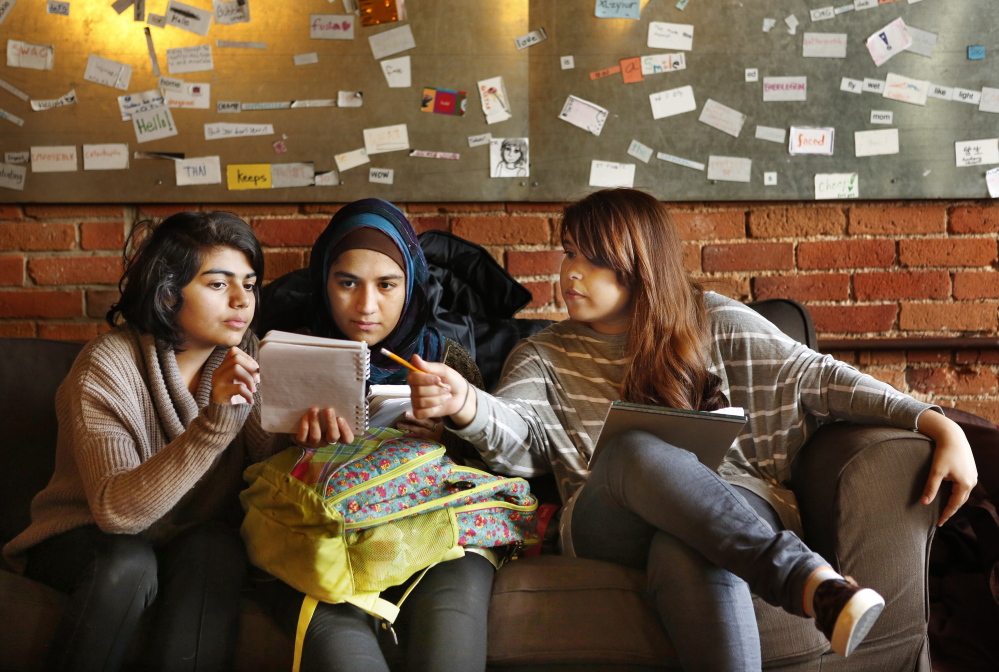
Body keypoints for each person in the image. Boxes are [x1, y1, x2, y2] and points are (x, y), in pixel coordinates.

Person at [406, 188, 979, 671]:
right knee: (632, 448)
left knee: (692, 545)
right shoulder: (544, 353)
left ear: (640, 264)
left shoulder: (711, 319)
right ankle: (806, 579)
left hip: (735, 505)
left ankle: (814, 588)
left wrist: (937, 423)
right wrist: (465, 404)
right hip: (606, 520)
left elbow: (820, 377)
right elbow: (518, 435)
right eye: (569, 253)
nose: (571, 272)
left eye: (595, 259)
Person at [2, 212, 282, 672]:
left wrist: (304, 436)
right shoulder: (108, 365)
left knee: (218, 548)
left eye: (249, 285)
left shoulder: (248, 355)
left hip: (189, 536)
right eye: (218, 284)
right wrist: (214, 424)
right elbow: (116, 512)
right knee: (130, 563)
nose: (241, 300)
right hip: (85, 534)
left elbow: (265, 469)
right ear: (169, 294)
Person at [257, 198, 493, 672]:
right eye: (347, 283)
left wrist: (445, 435)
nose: (366, 306)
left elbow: (486, 468)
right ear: (323, 280)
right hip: (326, 535)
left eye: (387, 285)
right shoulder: (286, 352)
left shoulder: (442, 358)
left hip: (432, 532)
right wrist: (305, 451)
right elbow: (250, 467)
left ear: (411, 285)